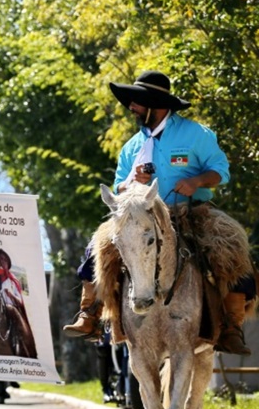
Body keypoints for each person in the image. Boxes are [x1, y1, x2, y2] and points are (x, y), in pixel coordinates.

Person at [63, 71, 253, 355]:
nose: (131, 107)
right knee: (98, 245)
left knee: (233, 244)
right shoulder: (132, 146)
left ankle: (231, 327)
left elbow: (220, 171)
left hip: (191, 212)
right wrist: (131, 182)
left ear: (155, 104)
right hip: (142, 216)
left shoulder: (196, 134)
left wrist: (196, 181)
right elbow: (118, 185)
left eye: (136, 102)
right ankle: (89, 312)